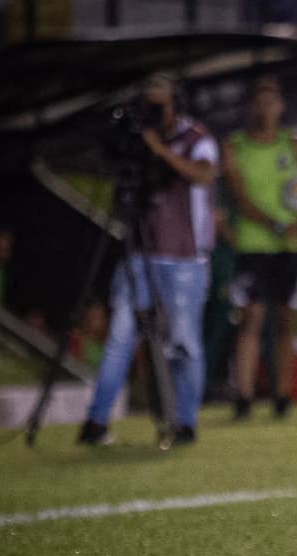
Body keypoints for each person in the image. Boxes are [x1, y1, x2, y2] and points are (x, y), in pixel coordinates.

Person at [77, 73, 219, 446]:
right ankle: (96, 421)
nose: (152, 112)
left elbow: (204, 175)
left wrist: (160, 151)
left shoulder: (196, 139)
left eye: (159, 104)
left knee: (185, 343)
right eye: (147, 105)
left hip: (185, 259)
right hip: (139, 252)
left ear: (176, 104)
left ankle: (185, 422)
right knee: (120, 337)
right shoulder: (137, 140)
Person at [223, 75, 297, 420]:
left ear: (281, 107)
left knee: (285, 320)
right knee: (251, 317)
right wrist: (274, 223)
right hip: (252, 244)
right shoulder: (236, 146)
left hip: (288, 246)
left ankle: (283, 396)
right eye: (259, 102)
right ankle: (243, 396)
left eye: (271, 102)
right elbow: (240, 197)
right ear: (251, 107)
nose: (265, 109)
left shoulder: (295, 145)